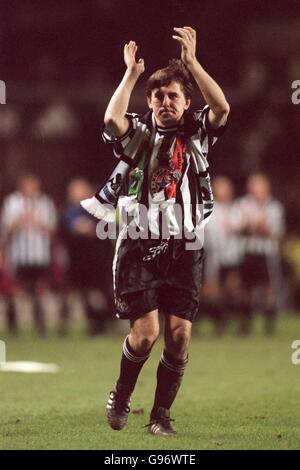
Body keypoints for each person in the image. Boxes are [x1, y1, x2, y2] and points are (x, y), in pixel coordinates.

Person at [83, 27, 229, 435]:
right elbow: (111, 118)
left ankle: (160, 416)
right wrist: (130, 74)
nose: (166, 102)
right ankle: (122, 395)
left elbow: (222, 108)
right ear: (149, 102)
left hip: (186, 244)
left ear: (186, 102)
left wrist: (193, 64)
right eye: (159, 96)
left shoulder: (197, 131)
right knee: (145, 334)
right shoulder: (138, 133)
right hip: (139, 243)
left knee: (179, 337)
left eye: (174, 96)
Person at [1, 173, 57, 335]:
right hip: (19, 254)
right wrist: (20, 220)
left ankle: (40, 325)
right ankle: (13, 326)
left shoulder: (45, 202)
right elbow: (6, 230)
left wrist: (38, 222)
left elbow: (53, 231)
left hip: (39, 254)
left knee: (38, 289)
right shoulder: (12, 202)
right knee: (14, 289)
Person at [235, 173, 285, 334]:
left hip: (266, 253)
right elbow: (237, 228)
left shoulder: (274, 207)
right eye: (252, 185)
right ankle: (245, 325)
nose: (254, 189)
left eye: (257, 185)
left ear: (266, 187)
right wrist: (251, 227)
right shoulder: (243, 204)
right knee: (245, 290)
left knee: (268, 289)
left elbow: (275, 232)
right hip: (248, 252)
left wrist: (259, 227)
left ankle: (269, 326)